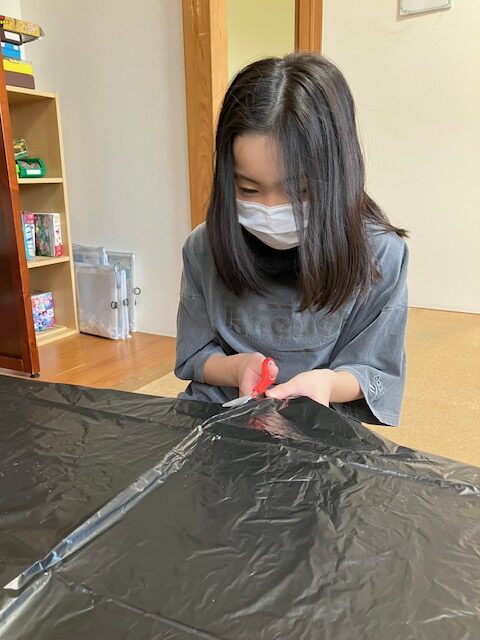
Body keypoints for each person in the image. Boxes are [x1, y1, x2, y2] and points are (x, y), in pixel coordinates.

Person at [175, 53, 408, 426]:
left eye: (300, 191)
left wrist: (327, 384)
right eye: (249, 189)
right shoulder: (204, 248)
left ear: (338, 176)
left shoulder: (379, 255)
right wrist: (237, 368)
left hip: (318, 420)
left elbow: (375, 370)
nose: (271, 210)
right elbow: (195, 354)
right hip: (220, 413)